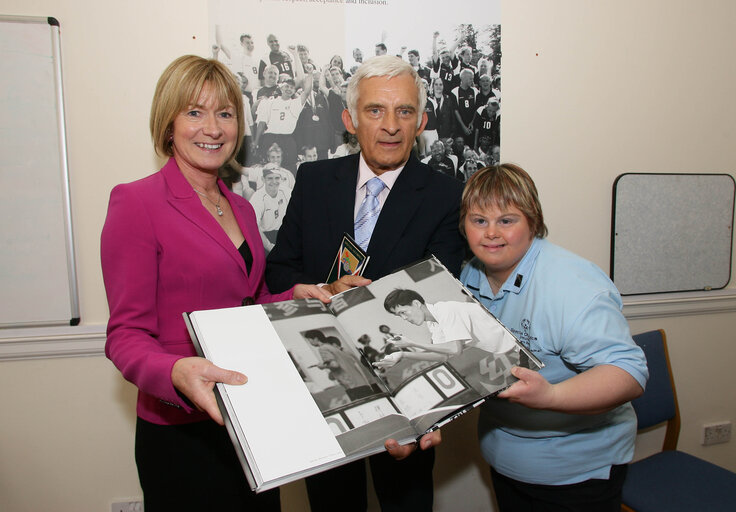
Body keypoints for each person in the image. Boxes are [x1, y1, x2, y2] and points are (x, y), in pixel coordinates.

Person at [100, 55, 331, 511]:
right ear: (168, 124)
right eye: (194, 112)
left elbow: (251, 302)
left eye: (225, 113)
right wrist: (174, 372)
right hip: (181, 430)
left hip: (251, 416)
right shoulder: (136, 202)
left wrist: (292, 297)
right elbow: (125, 335)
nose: (213, 127)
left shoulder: (240, 208)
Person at [266, 55, 464, 512]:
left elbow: (439, 297)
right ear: (349, 119)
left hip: (407, 388)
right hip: (325, 379)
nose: (391, 125)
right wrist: (324, 291)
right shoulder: (313, 182)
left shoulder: (444, 196)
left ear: (422, 121)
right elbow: (279, 274)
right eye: (375, 110)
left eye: (405, 111)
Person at [458, 164, 649, 511]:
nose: (490, 233)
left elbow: (629, 374)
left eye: (507, 220)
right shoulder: (469, 274)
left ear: (532, 221)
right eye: (479, 220)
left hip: (576, 475)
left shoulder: (572, 284)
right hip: (505, 459)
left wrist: (551, 395)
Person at [375, 288, 520, 372]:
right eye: (399, 316)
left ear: (416, 303)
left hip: (520, 341)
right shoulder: (432, 324)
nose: (404, 318)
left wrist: (413, 344)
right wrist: (403, 354)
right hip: (512, 349)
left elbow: (455, 349)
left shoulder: (446, 310)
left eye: (403, 312)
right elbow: (443, 356)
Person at [305, 329, 373, 400]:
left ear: (315, 338)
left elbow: (334, 365)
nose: (310, 342)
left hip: (351, 385)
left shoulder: (322, 349)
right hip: (361, 382)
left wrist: (322, 366)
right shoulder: (332, 347)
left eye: (309, 340)